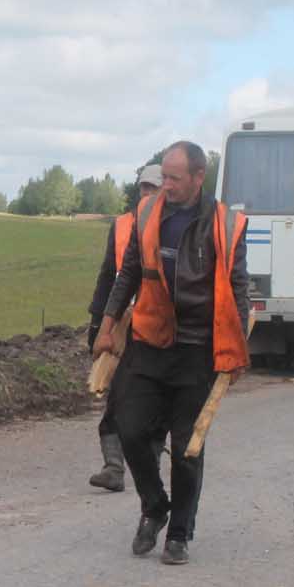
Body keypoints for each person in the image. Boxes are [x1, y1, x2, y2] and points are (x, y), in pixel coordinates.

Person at [91, 141, 249, 565]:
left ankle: (179, 533)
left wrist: (237, 351)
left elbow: (238, 288)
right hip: (149, 340)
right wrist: (106, 327)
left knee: (185, 448)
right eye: (163, 177)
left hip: (199, 348)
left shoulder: (226, 224)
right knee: (130, 428)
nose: (166, 186)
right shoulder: (148, 214)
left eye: (174, 178)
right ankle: (155, 505)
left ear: (199, 177)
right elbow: (127, 273)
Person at [86, 164, 163, 491]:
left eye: (154, 188)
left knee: (155, 400)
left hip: (158, 327)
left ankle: (150, 466)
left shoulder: (172, 227)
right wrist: (98, 323)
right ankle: (114, 467)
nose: (147, 193)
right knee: (117, 393)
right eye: (144, 187)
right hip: (122, 325)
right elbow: (109, 276)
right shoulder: (121, 226)